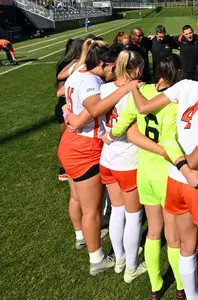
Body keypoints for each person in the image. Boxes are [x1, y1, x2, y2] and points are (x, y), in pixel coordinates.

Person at [128, 52, 198, 300]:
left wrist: (133, 87)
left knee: (186, 245)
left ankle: (191, 295)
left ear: (197, 70)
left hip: (175, 176)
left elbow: (143, 106)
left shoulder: (184, 85)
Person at [107, 54, 198, 299]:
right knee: (173, 237)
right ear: (178, 74)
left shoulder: (142, 91)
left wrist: (110, 135)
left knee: (153, 232)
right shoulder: (175, 101)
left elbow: (123, 126)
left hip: (145, 171)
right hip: (166, 172)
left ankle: (155, 285)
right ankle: (181, 285)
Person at [58, 40, 136, 276]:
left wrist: (67, 114)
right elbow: (92, 110)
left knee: (77, 198)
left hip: (70, 145)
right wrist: (125, 89)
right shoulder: (91, 81)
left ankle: (81, 236)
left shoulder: (76, 72)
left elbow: (64, 99)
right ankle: (97, 259)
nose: (113, 75)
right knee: (92, 210)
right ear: (107, 65)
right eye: (113, 70)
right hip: (85, 148)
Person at [98, 50, 147, 283]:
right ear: (137, 69)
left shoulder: (105, 88)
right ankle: (131, 266)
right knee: (134, 215)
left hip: (107, 158)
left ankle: (119, 259)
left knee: (117, 211)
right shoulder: (137, 90)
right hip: (128, 159)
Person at [55, 38, 84, 181]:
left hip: (71, 105)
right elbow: (59, 89)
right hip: (65, 105)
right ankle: (63, 169)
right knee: (65, 139)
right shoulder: (66, 65)